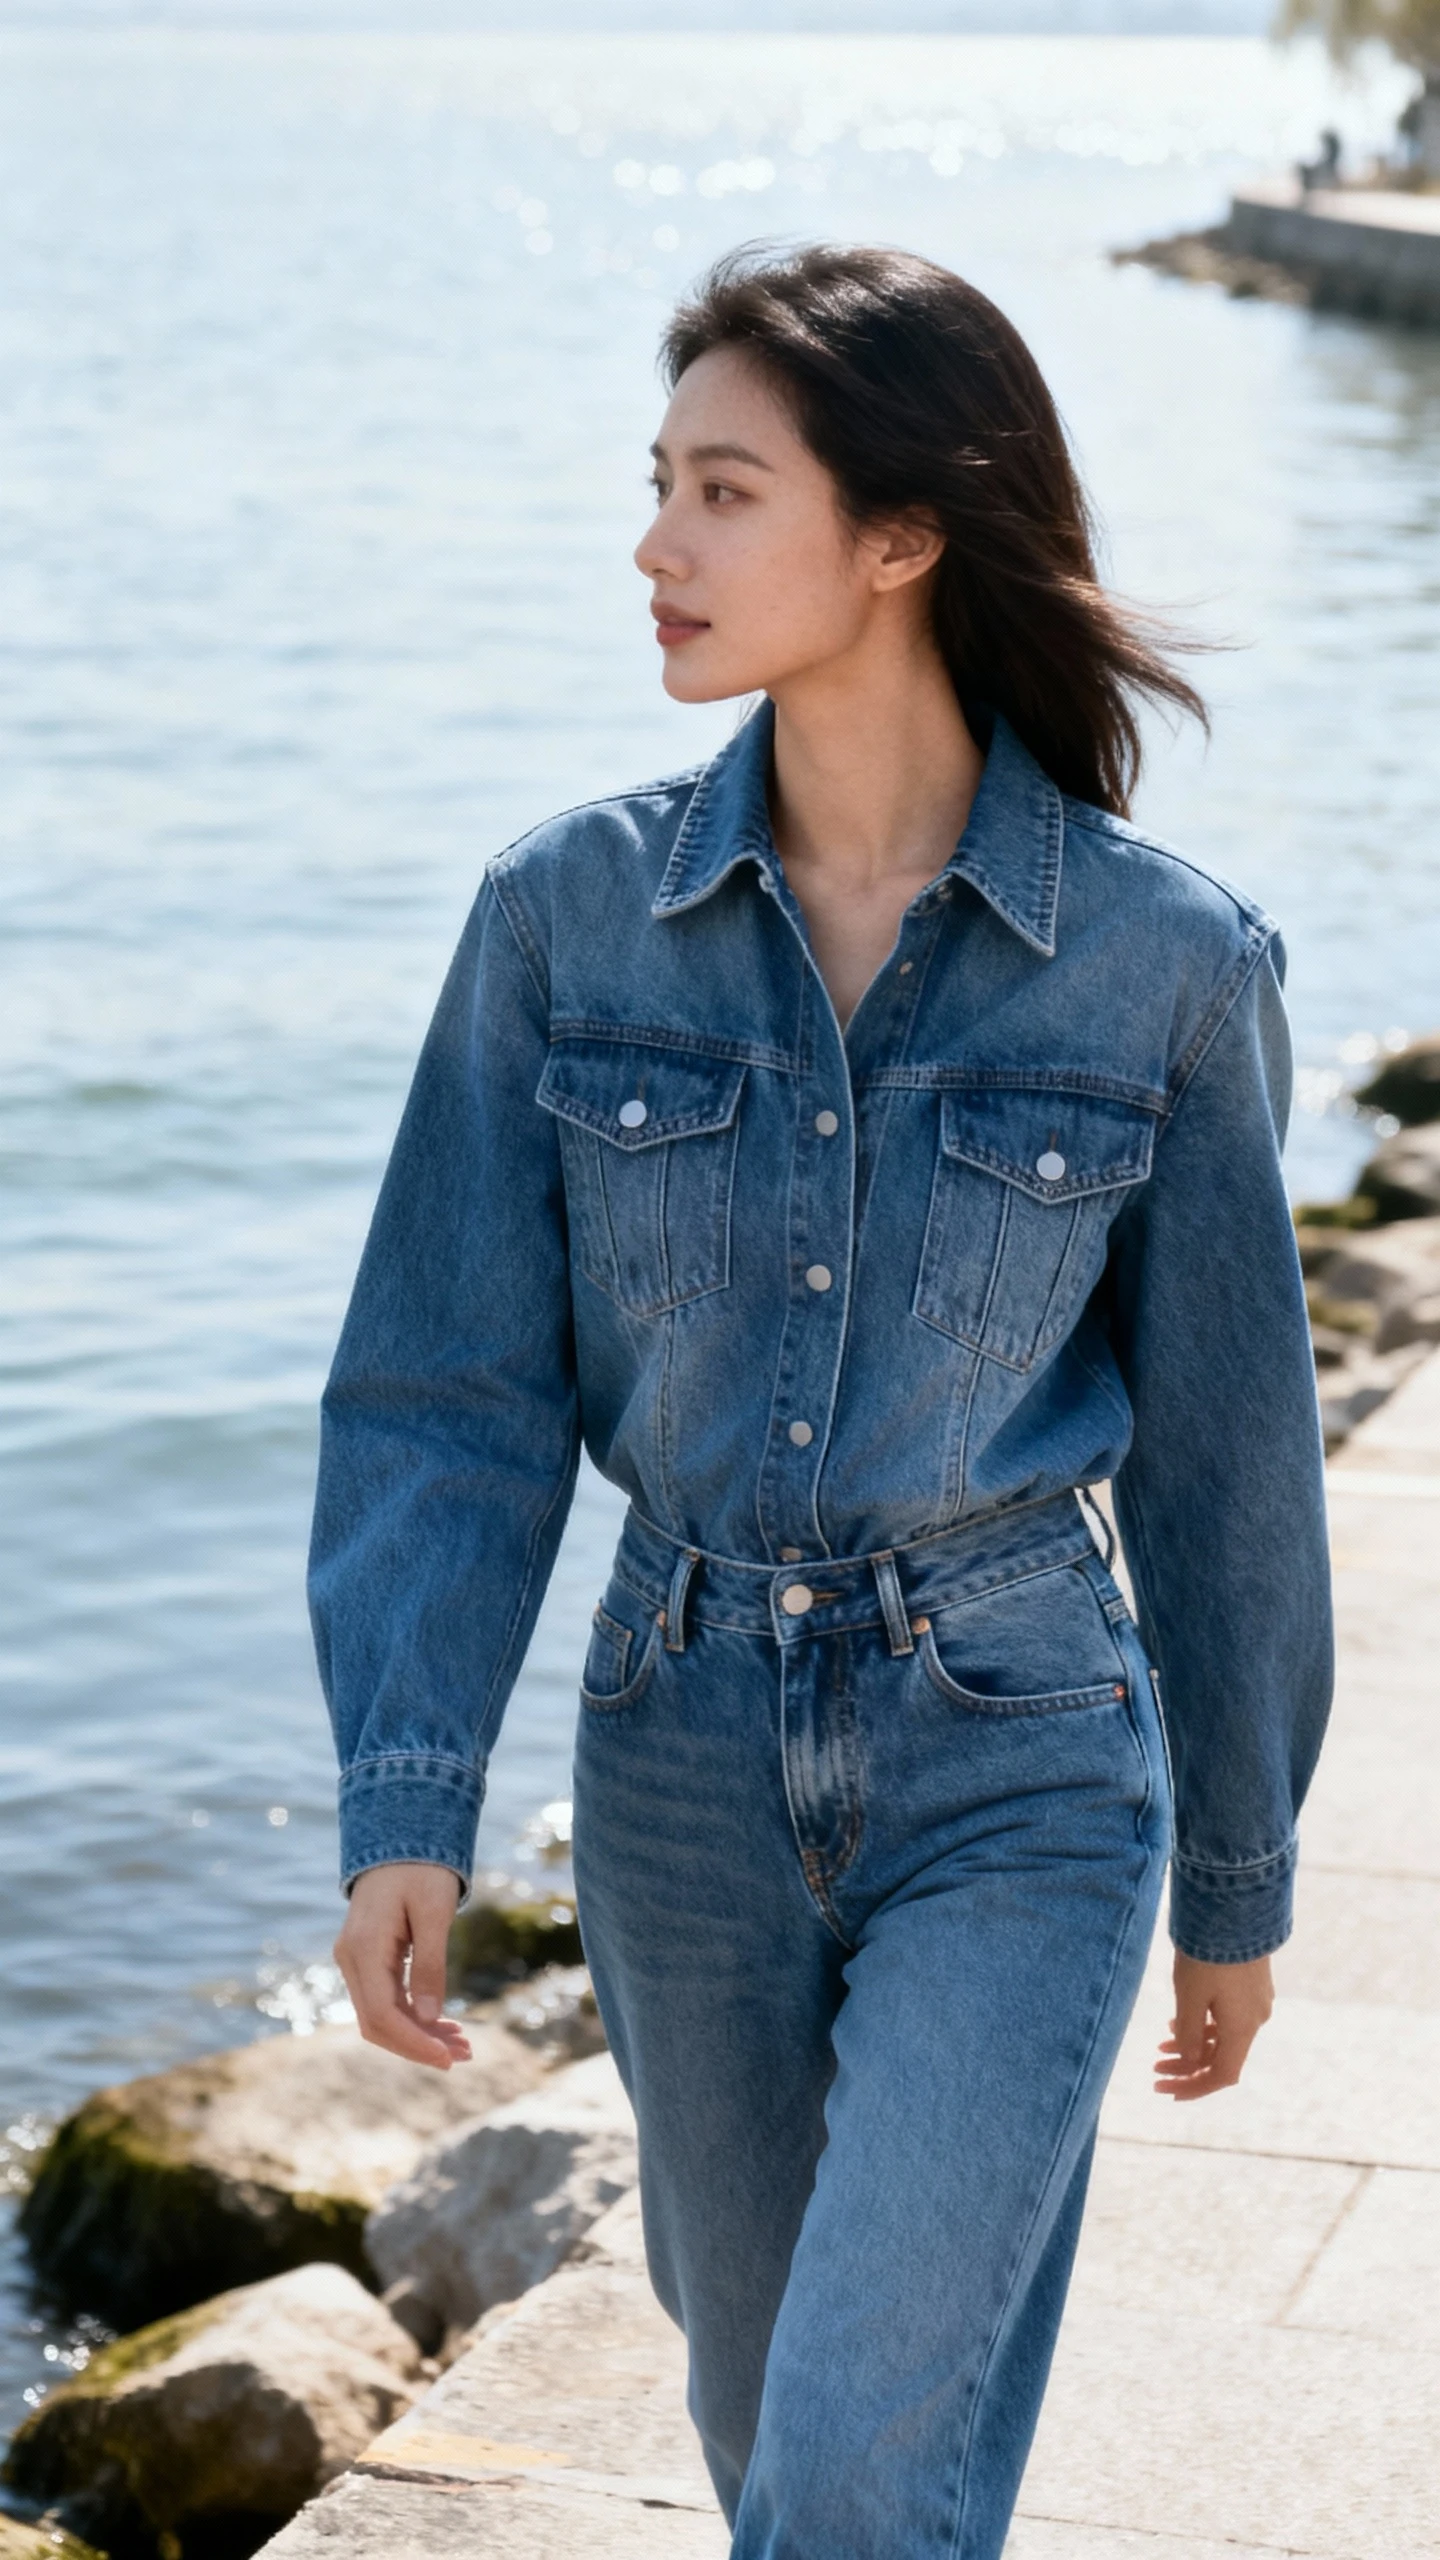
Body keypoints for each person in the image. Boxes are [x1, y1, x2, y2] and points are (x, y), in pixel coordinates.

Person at [310, 245, 1333, 2558]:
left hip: (1025, 1753)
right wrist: (405, 1787)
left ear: (902, 532)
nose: (655, 546)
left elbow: (1230, 1447)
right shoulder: (562, 919)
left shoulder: (1167, 965)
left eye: (720, 490)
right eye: (657, 485)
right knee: (778, 2432)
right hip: (673, 1758)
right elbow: (446, 1392)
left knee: (863, 2461)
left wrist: (1241, 1873)